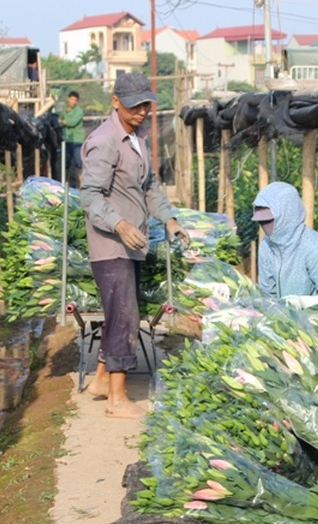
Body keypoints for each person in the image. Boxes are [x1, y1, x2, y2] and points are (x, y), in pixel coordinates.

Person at [80, 73, 190, 420]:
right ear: (115, 102)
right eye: (135, 105)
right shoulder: (104, 141)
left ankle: (100, 381)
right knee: (125, 317)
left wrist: (168, 219)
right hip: (110, 244)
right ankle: (117, 399)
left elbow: (150, 186)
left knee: (119, 315)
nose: (142, 111)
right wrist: (120, 223)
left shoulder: (138, 137)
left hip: (133, 244)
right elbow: (89, 196)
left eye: (146, 104)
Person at [251, 181, 318, 309]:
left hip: (313, 322)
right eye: (260, 221)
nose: (264, 226)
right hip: (281, 320)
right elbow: (267, 293)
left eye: (268, 220)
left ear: (287, 214)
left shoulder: (316, 248)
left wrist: (303, 302)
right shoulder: (266, 247)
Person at [61, 91, 84, 188]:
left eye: (75, 100)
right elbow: (59, 120)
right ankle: (64, 187)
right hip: (66, 141)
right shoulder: (63, 110)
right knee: (65, 164)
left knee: (79, 165)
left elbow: (71, 122)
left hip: (77, 141)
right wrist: (62, 122)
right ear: (68, 99)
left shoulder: (79, 111)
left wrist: (63, 122)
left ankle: (81, 188)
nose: (73, 102)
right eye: (72, 99)